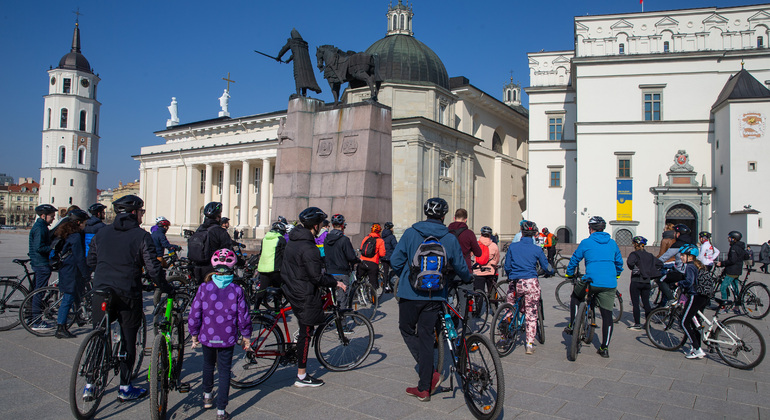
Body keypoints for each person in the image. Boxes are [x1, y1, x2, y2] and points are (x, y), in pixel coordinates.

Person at [86, 194, 170, 401]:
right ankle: (124, 387)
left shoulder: (101, 233)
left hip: (101, 291)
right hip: (127, 292)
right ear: (134, 213)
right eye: (142, 212)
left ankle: (89, 384)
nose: (142, 215)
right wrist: (165, 285)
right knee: (128, 338)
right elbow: (153, 268)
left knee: (99, 334)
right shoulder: (141, 236)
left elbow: (91, 261)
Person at [390, 197, 472, 401]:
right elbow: (461, 267)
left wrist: (408, 276)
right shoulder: (450, 237)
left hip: (410, 294)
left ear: (425, 213)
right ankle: (424, 386)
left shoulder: (411, 233)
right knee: (427, 336)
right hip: (436, 294)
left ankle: (428, 374)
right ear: (444, 216)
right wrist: (468, 278)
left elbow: (395, 261)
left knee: (407, 329)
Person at [280, 207, 346, 387]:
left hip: (291, 287)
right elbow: (316, 277)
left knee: (304, 327)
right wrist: (335, 282)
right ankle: (301, 376)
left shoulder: (293, 241)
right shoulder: (309, 247)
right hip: (303, 292)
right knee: (306, 332)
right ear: (316, 226)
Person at [189, 249, 252, 420]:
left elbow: (195, 313)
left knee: (208, 365)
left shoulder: (204, 287)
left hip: (207, 336)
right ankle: (221, 411)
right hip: (227, 337)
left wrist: (194, 333)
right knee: (224, 371)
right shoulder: (236, 290)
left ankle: (207, 396)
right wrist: (246, 336)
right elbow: (243, 316)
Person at [565, 216, 623, 358]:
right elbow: (619, 263)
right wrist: (616, 275)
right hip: (609, 284)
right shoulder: (612, 243)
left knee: (576, 296)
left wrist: (569, 273)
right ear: (603, 229)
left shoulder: (586, 242)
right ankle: (604, 348)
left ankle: (573, 324)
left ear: (590, 229)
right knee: (607, 316)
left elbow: (574, 259)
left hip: (591, 281)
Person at [503, 220, 554, 354]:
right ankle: (529, 344)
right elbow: (545, 266)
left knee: (510, 307)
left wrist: (510, 275)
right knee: (531, 313)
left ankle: (504, 334)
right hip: (531, 283)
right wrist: (551, 271)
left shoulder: (513, 247)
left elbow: (507, 266)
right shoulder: (537, 249)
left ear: (522, 232)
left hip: (516, 282)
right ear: (533, 234)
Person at [53, 209, 90, 339]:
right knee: (67, 299)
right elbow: (79, 257)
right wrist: (86, 273)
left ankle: (77, 318)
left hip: (66, 268)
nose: (85, 225)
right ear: (78, 222)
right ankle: (60, 327)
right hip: (71, 270)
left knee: (72, 297)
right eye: (84, 222)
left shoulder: (67, 232)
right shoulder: (76, 236)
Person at [192, 202, 239, 284]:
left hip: (196, 267)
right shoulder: (220, 231)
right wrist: (240, 261)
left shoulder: (200, 229)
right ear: (218, 216)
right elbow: (229, 250)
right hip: (212, 269)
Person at [678, 244, 711, 359]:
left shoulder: (690, 266)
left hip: (695, 296)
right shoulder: (698, 265)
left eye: (683, 255)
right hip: (703, 296)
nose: (681, 257)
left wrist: (678, 283)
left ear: (690, 257)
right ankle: (697, 346)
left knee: (684, 322)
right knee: (695, 322)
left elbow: (689, 282)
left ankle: (697, 349)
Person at [28, 204, 57, 330]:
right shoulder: (40, 228)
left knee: (36, 291)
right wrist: (52, 250)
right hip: (41, 263)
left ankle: (31, 317)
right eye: (51, 216)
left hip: (38, 262)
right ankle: (36, 321)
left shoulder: (41, 226)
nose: (53, 219)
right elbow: (39, 247)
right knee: (39, 292)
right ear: (43, 215)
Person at [625, 236, 662, 330]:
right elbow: (660, 263)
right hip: (646, 282)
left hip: (636, 281)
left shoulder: (634, 254)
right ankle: (647, 323)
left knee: (636, 303)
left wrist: (635, 268)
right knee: (646, 303)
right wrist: (650, 270)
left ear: (635, 244)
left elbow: (630, 263)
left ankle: (637, 324)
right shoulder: (650, 255)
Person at [324, 214, 360, 302]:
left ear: (332, 225)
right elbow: (351, 257)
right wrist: (358, 260)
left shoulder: (326, 239)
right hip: (342, 272)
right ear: (343, 225)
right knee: (342, 300)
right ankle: (341, 315)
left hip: (329, 271)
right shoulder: (344, 240)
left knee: (331, 300)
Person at [254, 221, 287, 309]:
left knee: (262, 289)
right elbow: (284, 255)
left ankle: (256, 309)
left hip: (263, 268)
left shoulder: (265, 239)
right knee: (277, 289)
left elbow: (261, 252)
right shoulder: (281, 239)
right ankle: (277, 310)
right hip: (275, 268)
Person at [716, 231, 746, 304]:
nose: (728, 239)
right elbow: (746, 256)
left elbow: (732, 260)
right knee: (735, 288)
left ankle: (724, 306)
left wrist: (722, 263)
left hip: (732, 271)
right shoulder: (740, 247)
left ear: (733, 239)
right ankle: (737, 306)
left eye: (729, 237)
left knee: (723, 287)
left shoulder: (734, 248)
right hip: (737, 270)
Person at [448, 208, 482, 273]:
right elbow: (478, 253)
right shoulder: (469, 233)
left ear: (454, 218)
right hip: (464, 268)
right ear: (466, 219)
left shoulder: (447, 232)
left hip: (449, 268)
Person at [358, 223, 386, 293]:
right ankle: (374, 301)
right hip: (373, 264)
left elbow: (361, 248)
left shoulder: (366, 238)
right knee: (373, 283)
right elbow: (382, 253)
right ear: (379, 231)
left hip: (362, 262)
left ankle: (356, 292)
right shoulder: (380, 240)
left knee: (358, 279)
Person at [472, 226, 500, 296]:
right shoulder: (494, 246)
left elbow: (470, 257)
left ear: (481, 234)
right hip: (491, 272)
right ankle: (493, 305)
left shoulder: (476, 244)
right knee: (492, 293)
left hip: (478, 272)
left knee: (479, 293)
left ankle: (480, 305)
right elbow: (497, 259)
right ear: (490, 235)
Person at [380, 221, 399, 293]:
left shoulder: (382, 235)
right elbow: (395, 246)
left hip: (383, 256)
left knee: (385, 272)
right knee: (396, 269)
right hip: (390, 256)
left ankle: (385, 286)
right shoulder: (391, 236)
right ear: (391, 228)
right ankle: (394, 284)